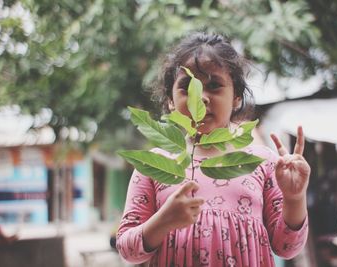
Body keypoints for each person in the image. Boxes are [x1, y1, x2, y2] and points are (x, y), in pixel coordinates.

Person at [115, 32, 310, 266]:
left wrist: (295, 198)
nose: (201, 99)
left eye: (214, 85)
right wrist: (163, 221)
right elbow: (127, 249)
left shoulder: (261, 162)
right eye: (188, 87)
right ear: (170, 100)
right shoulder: (153, 166)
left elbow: (286, 247)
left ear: (237, 97)